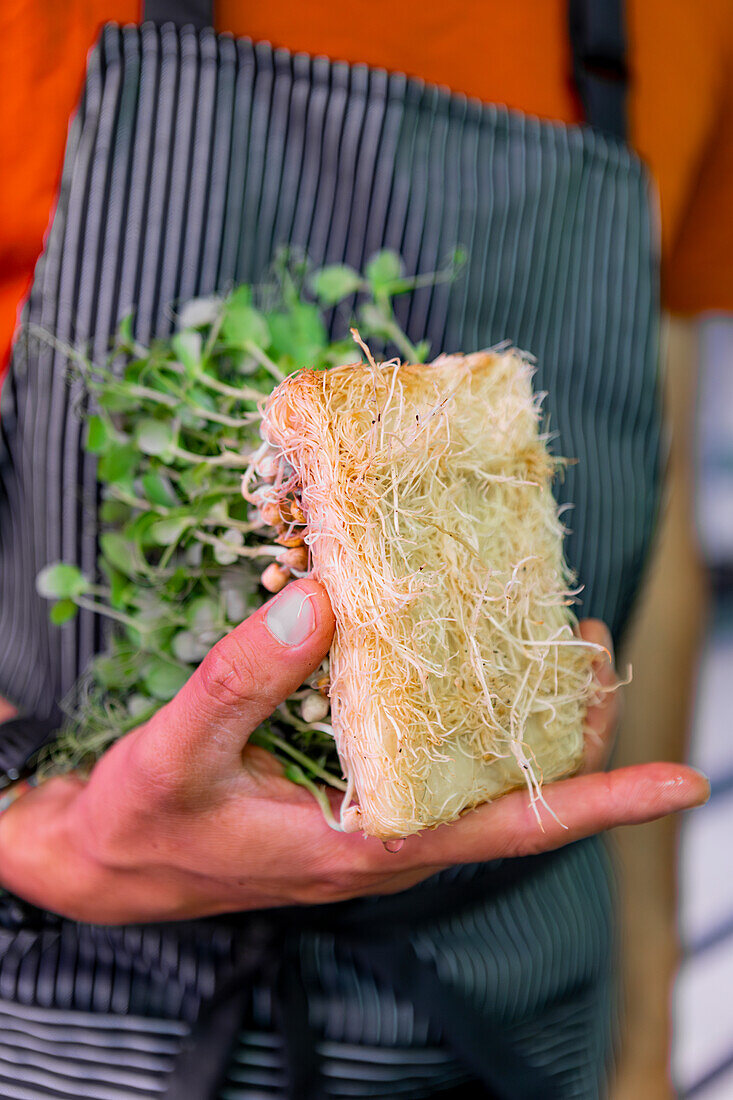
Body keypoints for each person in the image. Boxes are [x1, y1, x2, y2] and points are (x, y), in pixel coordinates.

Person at [0, 2, 728, 1097]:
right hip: (77, 1009)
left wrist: (644, 1039)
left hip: (523, 1020)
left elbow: (647, 517)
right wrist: (29, 815)